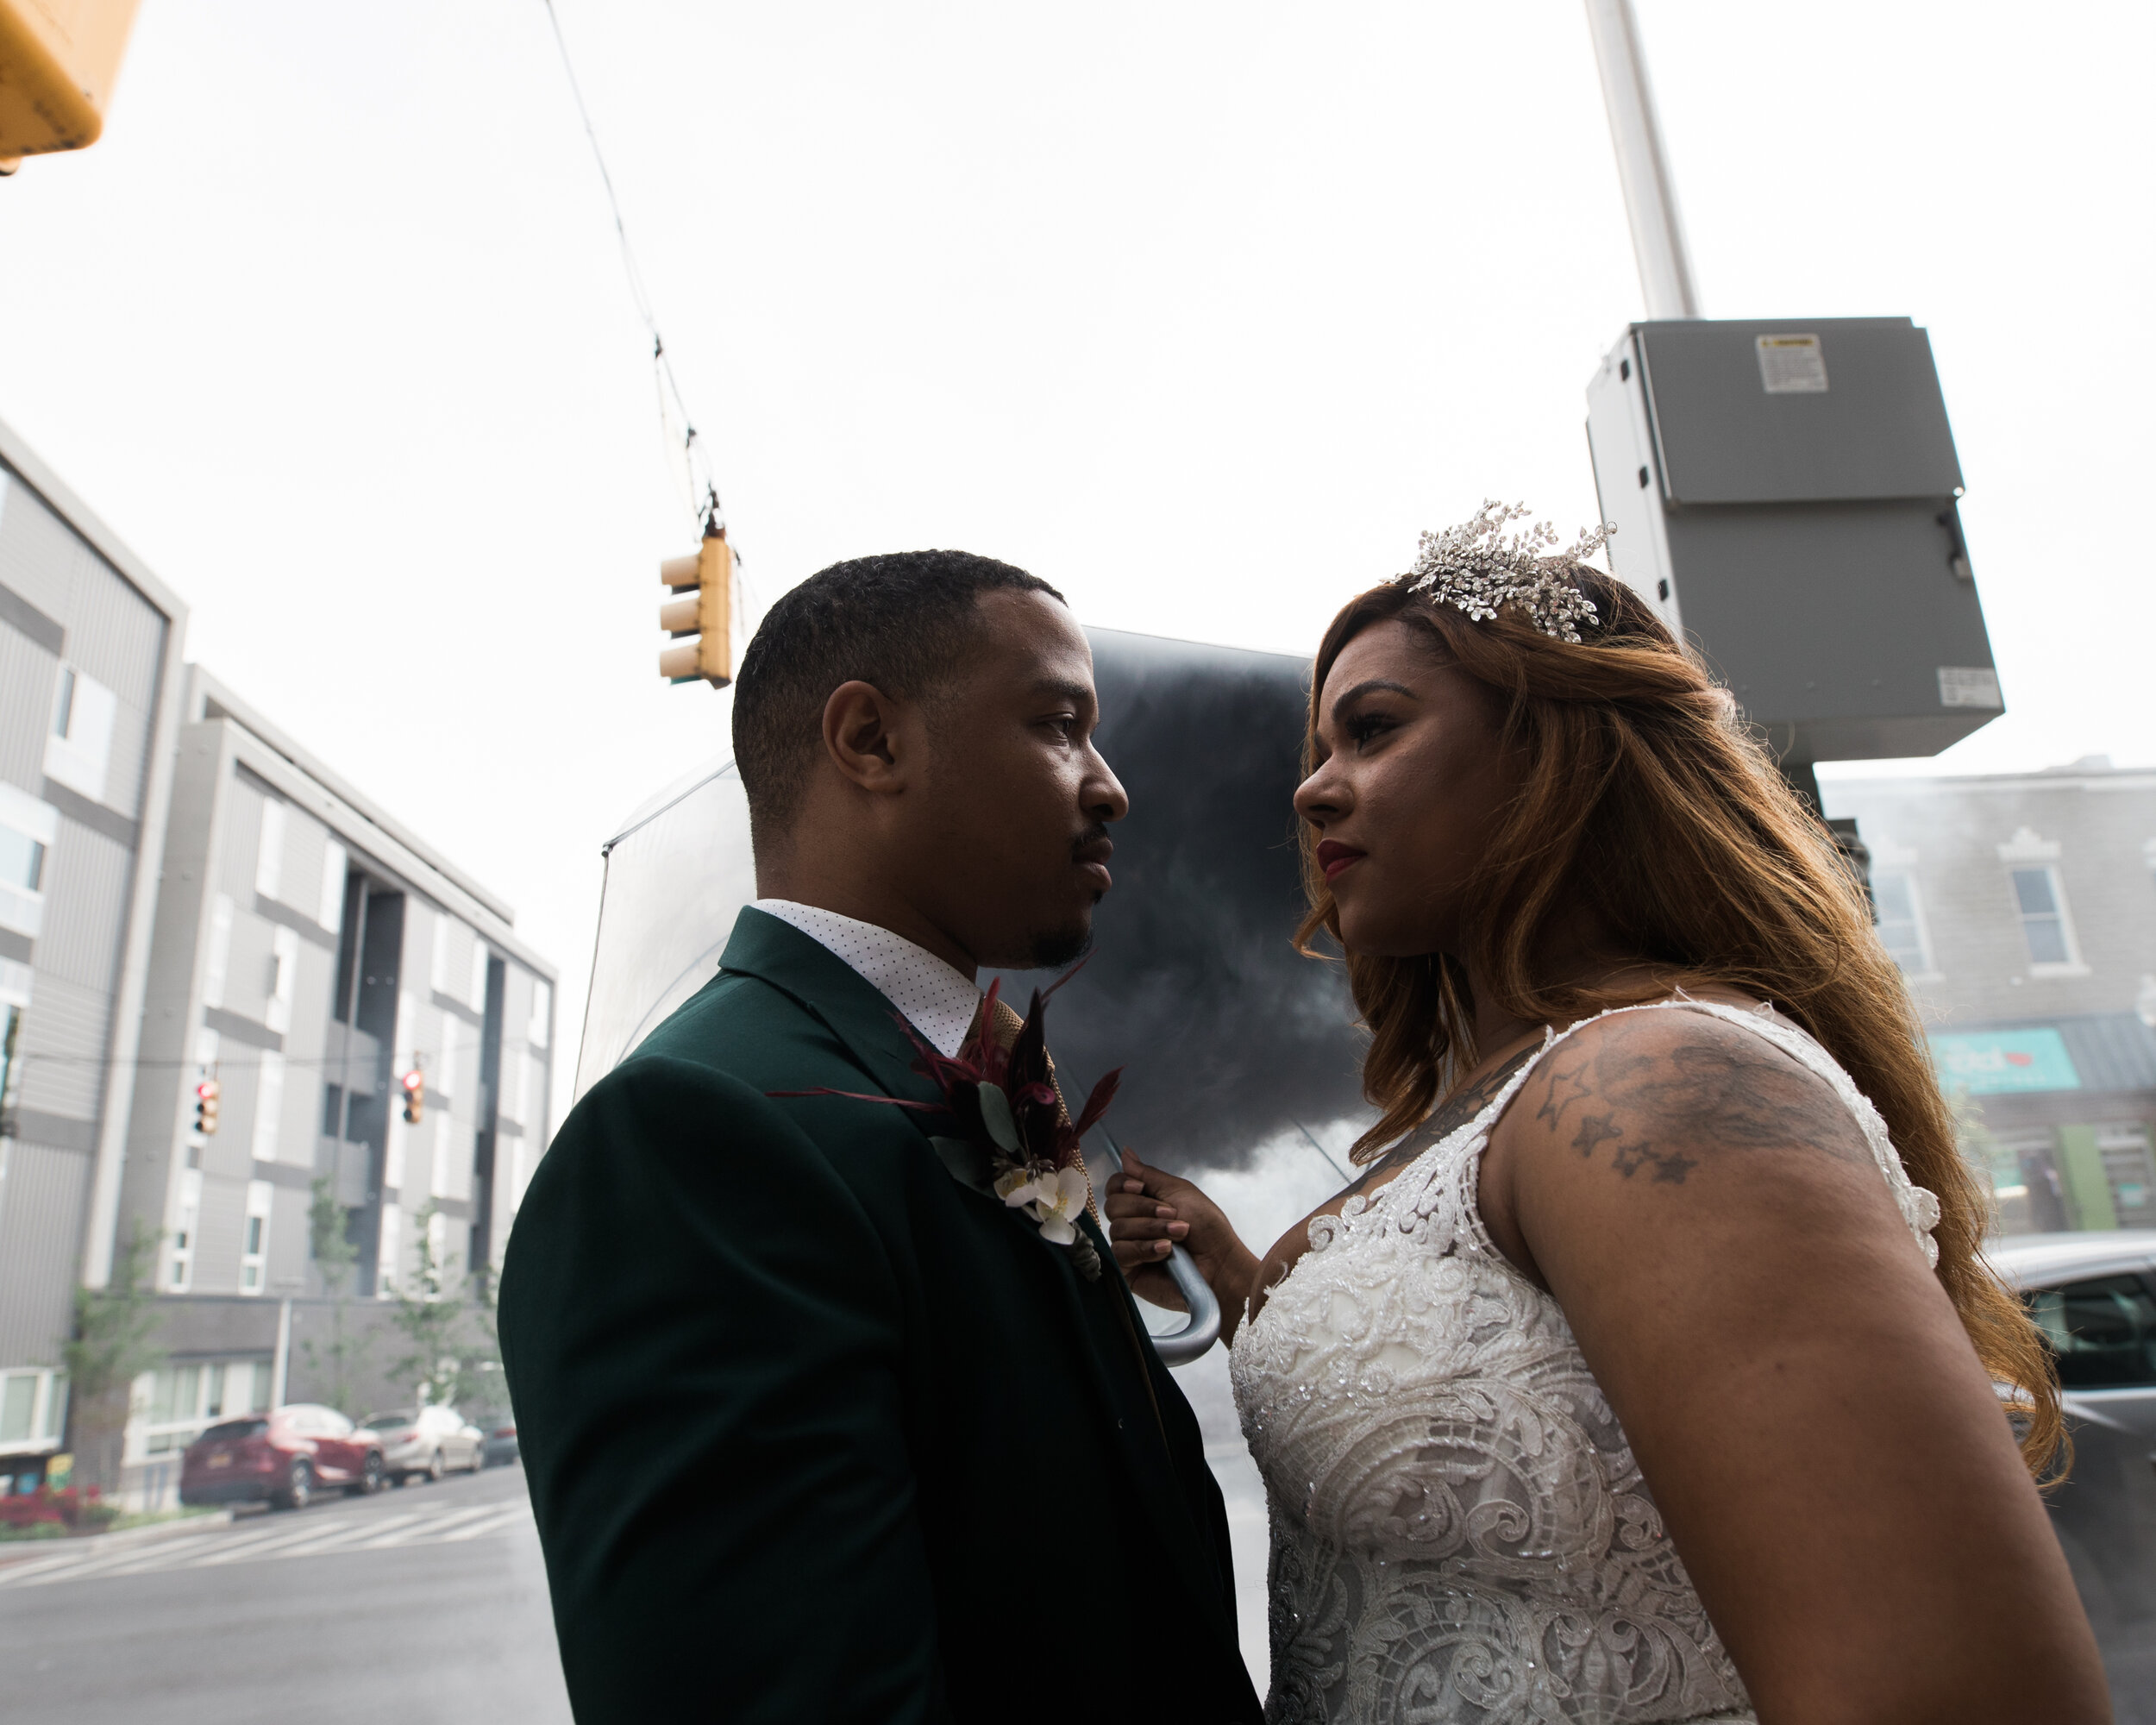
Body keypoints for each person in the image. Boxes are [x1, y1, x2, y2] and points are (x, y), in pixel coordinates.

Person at [1106, 505, 2109, 1724]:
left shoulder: (1658, 1088)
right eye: (1318, 750)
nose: (1317, 787)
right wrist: (1234, 1267)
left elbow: (1961, 1696)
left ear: (1556, 754)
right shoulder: (1503, 1102)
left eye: (1373, 730)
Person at [501, 551, 1261, 1724]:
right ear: (869, 741)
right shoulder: (695, 1138)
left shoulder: (978, 1078)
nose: (1108, 787)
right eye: (1059, 724)